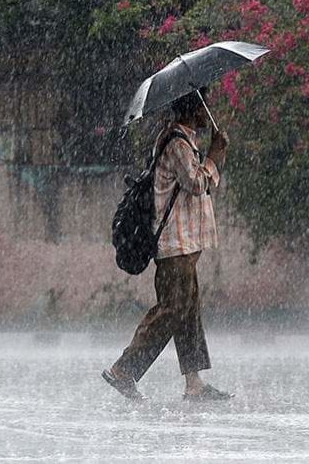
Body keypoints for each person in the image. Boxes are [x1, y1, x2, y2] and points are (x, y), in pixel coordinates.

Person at [102, 89, 232, 401]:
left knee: (187, 310)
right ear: (193, 110)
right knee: (172, 309)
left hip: (185, 245)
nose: (207, 113)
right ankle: (124, 369)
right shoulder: (176, 143)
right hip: (174, 245)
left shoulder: (183, 140)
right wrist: (216, 154)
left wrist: (211, 152)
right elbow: (197, 183)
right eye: (204, 106)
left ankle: (194, 383)